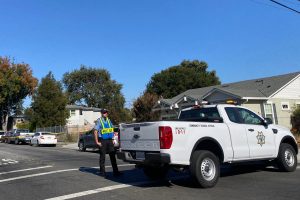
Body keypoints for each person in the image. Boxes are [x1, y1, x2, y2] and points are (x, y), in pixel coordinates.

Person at [94, 109, 122, 177]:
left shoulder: (109, 120)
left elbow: (112, 129)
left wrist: (112, 138)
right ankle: (102, 172)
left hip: (109, 140)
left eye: (106, 112)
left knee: (112, 156)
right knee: (102, 156)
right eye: (104, 113)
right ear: (101, 113)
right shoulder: (99, 121)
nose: (105, 114)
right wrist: (97, 142)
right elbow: (95, 131)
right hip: (103, 140)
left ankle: (116, 172)